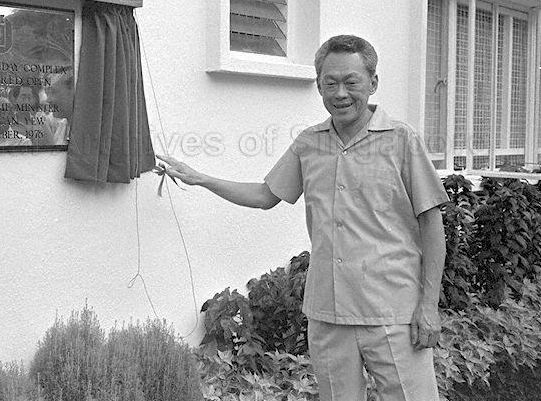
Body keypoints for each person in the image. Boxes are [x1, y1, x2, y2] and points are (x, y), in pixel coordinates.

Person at [157, 35, 448, 401]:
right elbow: (265, 196)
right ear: (319, 86)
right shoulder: (309, 144)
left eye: (351, 82)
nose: (340, 93)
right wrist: (201, 178)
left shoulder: (402, 140)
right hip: (328, 314)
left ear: (373, 83)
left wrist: (428, 305)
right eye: (330, 83)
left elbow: (432, 224)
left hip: (392, 312)